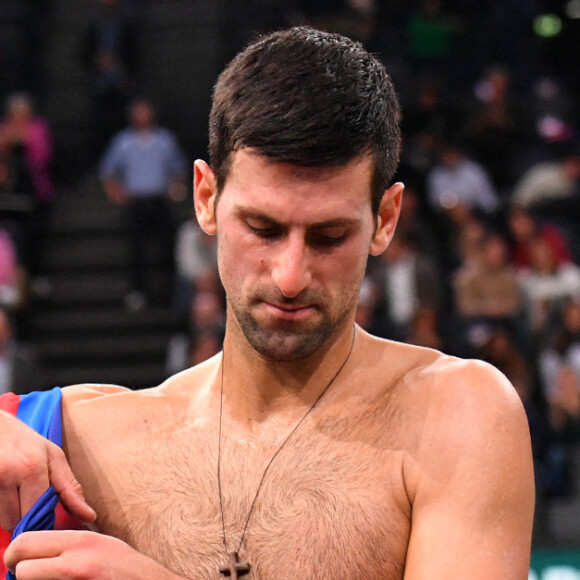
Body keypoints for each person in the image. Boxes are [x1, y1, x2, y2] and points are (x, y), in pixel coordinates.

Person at [0, 27, 534, 579]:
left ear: (386, 219)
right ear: (206, 199)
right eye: (263, 228)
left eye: (329, 237)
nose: (291, 276)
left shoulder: (456, 416)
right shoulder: (71, 441)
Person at [98, 97, 187, 310]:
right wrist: (116, 193)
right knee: (136, 250)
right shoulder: (123, 142)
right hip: (136, 202)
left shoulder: (165, 140)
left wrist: (175, 190)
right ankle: (138, 292)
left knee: (167, 247)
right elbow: (107, 171)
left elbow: (179, 169)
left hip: (159, 201)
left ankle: (168, 292)